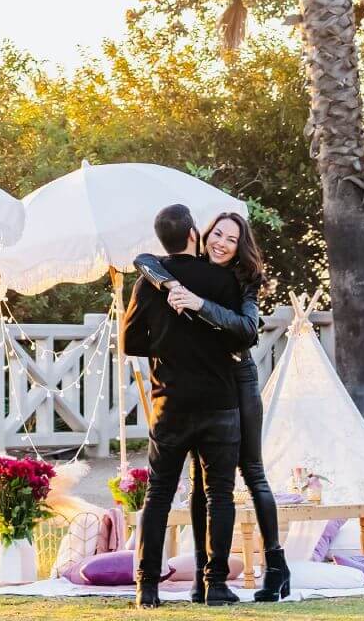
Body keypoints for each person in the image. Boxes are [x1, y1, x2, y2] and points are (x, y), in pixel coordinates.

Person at [136, 211, 289, 603]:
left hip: (237, 380)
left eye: (231, 239)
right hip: (211, 391)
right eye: (216, 233)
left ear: (241, 246)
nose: (221, 242)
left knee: (249, 470)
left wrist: (197, 305)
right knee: (207, 491)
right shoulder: (186, 272)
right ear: (198, 234)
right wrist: (166, 280)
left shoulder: (240, 282)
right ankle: (208, 582)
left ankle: (275, 566)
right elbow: (145, 260)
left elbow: (248, 330)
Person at [124, 204, 244, 608]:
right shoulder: (224, 281)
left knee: (158, 495)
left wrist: (164, 345)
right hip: (219, 403)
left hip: (169, 402)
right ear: (194, 234)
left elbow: (130, 343)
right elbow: (237, 338)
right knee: (219, 496)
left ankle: (147, 586)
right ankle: (216, 585)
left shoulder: (148, 282)